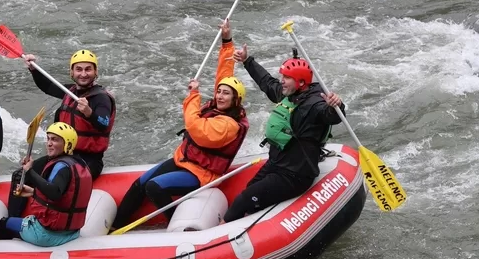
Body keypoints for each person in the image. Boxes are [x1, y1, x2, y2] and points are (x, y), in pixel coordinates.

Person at [111, 20, 249, 230]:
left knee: (154, 186)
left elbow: (196, 128)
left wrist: (193, 95)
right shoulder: (220, 105)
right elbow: (225, 73)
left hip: (201, 173)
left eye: (226, 93)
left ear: (235, 100)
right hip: (183, 160)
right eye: (219, 91)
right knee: (140, 183)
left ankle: (176, 224)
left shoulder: (229, 125)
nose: (220, 96)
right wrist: (226, 41)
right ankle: (114, 227)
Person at [222, 44, 345, 222]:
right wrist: (248, 61)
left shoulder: (314, 105)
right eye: (283, 76)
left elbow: (330, 115)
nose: (282, 80)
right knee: (250, 190)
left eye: (287, 77)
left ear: (301, 82)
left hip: (295, 175)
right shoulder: (290, 94)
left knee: (243, 200)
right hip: (277, 163)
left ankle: (219, 231)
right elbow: (267, 83)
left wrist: (337, 105)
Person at [21, 50, 115, 179]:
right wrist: (33, 69)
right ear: (72, 72)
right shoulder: (70, 91)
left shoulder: (101, 98)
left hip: (88, 160)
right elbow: (47, 86)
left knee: (58, 179)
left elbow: (104, 123)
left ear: (95, 72)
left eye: (88, 69)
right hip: (63, 154)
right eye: (78, 69)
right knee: (21, 175)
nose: (83, 74)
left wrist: (89, 112)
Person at [0, 122, 92, 247]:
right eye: (48, 139)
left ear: (67, 143)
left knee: (5, 223)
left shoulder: (61, 167)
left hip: (47, 235)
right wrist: (33, 192)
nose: (49, 143)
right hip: (72, 232)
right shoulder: (80, 164)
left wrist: (29, 171)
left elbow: (54, 193)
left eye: (55, 140)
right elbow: (64, 197)